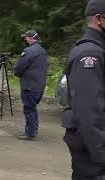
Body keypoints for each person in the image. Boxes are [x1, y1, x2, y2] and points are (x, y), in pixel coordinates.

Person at [63, 0, 105, 179]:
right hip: (93, 151)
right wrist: (102, 155)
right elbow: (89, 113)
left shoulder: (97, 50)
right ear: (99, 19)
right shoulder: (90, 54)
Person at [14, 30, 48, 141]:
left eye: (26, 37)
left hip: (30, 85)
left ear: (31, 38)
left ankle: (30, 133)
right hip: (39, 85)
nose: (25, 39)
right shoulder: (42, 51)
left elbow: (20, 67)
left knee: (28, 108)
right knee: (32, 108)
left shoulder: (29, 51)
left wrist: (17, 73)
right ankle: (34, 129)